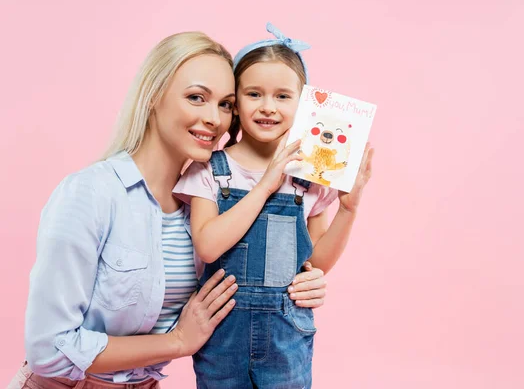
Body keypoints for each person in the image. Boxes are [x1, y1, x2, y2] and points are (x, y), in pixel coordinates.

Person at [9, 30, 329, 389]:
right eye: (196, 97)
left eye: (224, 104)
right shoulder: (92, 194)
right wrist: (177, 341)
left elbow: (251, 275)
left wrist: (303, 280)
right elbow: (49, 349)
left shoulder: (205, 208)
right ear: (153, 96)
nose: (214, 119)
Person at [173, 22, 374, 389]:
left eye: (282, 96)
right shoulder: (209, 169)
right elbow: (208, 244)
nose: (268, 107)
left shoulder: (309, 176)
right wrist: (266, 184)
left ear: (304, 104)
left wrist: (348, 209)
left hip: (286, 337)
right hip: (222, 336)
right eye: (254, 94)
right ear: (236, 101)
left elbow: (316, 262)